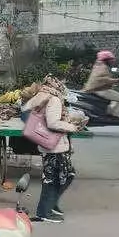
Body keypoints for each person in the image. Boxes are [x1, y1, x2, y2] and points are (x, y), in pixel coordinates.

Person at [22, 75, 81, 223]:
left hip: (48, 145)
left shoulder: (41, 94)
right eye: (63, 83)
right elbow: (53, 123)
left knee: (58, 177)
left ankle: (50, 206)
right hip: (55, 147)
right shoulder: (53, 99)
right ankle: (45, 212)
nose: (64, 86)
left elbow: (24, 111)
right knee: (55, 179)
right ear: (57, 84)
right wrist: (71, 126)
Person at [83, 50, 119, 118]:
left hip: (96, 89)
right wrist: (117, 80)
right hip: (100, 90)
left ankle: (110, 112)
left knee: (116, 96)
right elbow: (102, 79)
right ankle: (115, 114)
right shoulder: (102, 66)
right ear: (106, 59)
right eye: (110, 60)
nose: (112, 61)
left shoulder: (99, 65)